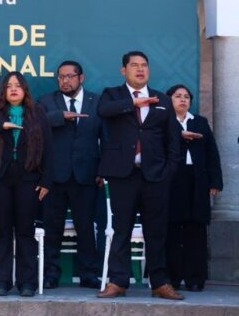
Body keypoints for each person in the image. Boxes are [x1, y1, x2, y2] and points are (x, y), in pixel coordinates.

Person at [97, 51, 183, 300]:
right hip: (123, 175)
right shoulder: (112, 95)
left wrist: (169, 171)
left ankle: (159, 282)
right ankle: (118, 281)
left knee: (156, 231)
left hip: (155, 175)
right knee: (121, 230)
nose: (140, 69)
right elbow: (104, 111)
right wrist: (132, 103)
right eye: (134, 65)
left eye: (144, 65)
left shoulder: (163, 99)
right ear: (124, 70)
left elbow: (173, 140)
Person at [0, 72, 53, 297]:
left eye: (18, 86)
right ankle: (2, 281)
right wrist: (0, 125)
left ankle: (27, 283)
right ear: (3, 91)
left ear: (25, 90)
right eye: (9, 86)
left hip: (29, 178)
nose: (14, 89)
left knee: (25, 231)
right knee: (2, 231)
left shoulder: (38, 113)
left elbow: (50, 149)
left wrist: (46, 181)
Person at [38, 60, 102, 289]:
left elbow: (107, 137)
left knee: (85, 227)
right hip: (54, 176)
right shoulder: (47, 101)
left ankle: (88, 274)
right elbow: (35, 124)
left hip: (86, 175)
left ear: (81, 78)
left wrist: (102, 171)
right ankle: (51, 274)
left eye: (70, 76)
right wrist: (59, 117)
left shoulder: (96, 101)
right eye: (61, 77)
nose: (65, 80)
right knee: (52, 227)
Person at [165, 84, 222, 292]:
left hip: (197, 181)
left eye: (186, 97)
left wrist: (215, 182)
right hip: (172, 181)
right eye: (178, 96)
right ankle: (171, 278)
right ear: (169, 100)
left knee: (196, 230)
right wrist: (179, 136)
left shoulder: (200, 122)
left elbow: (212, 153)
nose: (183, 100)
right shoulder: (163, 122)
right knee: (172, 231)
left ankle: (195, 279)